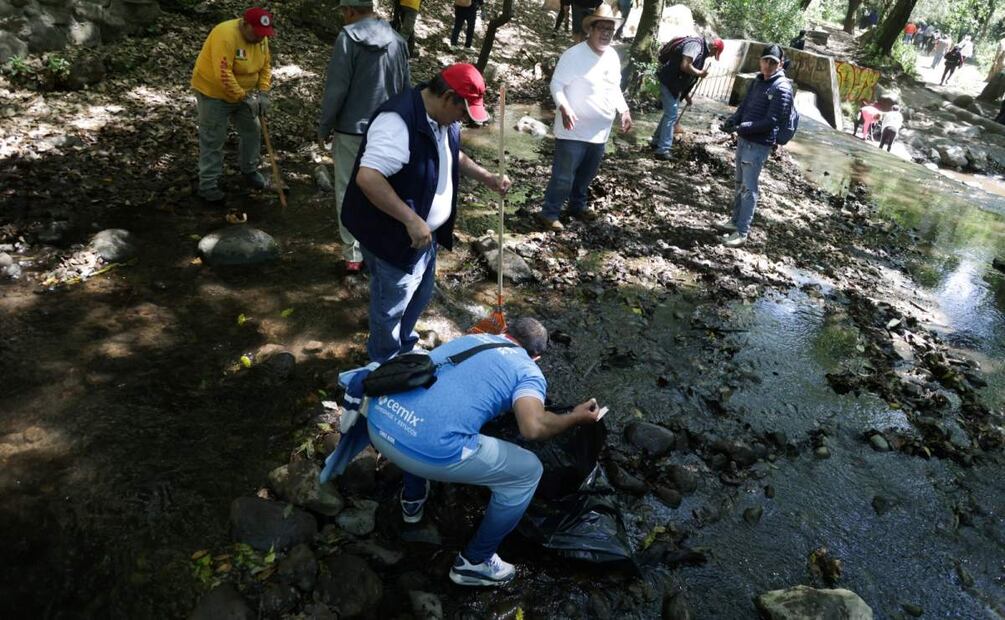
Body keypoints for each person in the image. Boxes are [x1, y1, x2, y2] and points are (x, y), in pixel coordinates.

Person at [364, 319, 604, 586]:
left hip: (379, 421)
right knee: (528, 472)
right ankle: (475, 562)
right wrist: (575, 417)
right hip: (425, 451)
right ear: (536, 357)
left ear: (504, 332)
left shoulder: (470, 339)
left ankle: (412, 500)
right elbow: (533, 428)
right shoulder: (528, 371)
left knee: (427, 411)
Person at [340, 64, 511, 363]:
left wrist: (486, 177)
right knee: (391, 305)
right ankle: (384, 363)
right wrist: (410, 219)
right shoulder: (398, 122)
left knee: (418, 295)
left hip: (422, 235)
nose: (464, 119)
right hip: (392, 235)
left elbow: (450, 151)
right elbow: (368, 178)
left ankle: (405, 345)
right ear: (447, 97)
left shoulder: (443, 118)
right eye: (463, 112)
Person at [318, 0, 410, 275]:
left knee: (347, 189)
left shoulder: (347, 39)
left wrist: (324, 126)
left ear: (349, 11)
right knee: (383, 190)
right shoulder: (397, 40)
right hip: (389, 130)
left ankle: (353, 254)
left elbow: (337, 89)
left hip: (351, 130)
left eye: (343, 12)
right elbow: (406, 88)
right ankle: (378, 248)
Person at [536, 5, 633, 231]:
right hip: (573, 129)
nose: (607, 33)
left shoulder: (612, 56)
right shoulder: (574, 55)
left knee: (587, 175)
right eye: (602, 28)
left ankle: (577, 206)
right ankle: (549, 213)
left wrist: (624, 110)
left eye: (611, 29)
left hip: (600, 132)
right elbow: (557, 84)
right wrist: (564, 107)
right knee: (563, 176)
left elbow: (614, 88)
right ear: (591, 28)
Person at [190, 7, 275, 204]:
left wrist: (263, 92)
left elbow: (265, 67)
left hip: (244, 94)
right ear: (244, 25)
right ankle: (208, 185)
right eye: (256, 33)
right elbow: (223, 74)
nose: (260, 38)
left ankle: (249, 170)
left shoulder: (261, 38)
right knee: (213, 137)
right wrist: (244, 97)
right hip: (213, 93)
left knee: (252, 131)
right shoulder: (225, 35)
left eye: (264, 34)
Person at [717, 44, 794, 248]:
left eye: (773, 62)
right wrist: (733, 120)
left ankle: (742, 232)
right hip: (744, 139)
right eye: (765, 60)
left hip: (759, 145)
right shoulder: (758, 82)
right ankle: (734, 222)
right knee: (739, 183)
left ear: (780, 64)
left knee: (749, 188)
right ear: (760, 61)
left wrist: (743, 126)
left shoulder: (782, 88)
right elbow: (745, 106)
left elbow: (772, 121)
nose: (768, 65)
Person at [651, 36, 724, 161]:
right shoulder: (695, 46)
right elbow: (685, 66)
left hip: (673, 84)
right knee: (672, 115)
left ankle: (656, 141)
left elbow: (685, 76)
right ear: (713, 47)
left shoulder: (700, 49)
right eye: (714, 53)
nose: (712, 56)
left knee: (669, 114)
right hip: (668, 82)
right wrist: (700, 73)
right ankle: (663, 150)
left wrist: (686, 95)